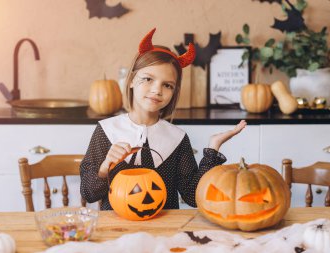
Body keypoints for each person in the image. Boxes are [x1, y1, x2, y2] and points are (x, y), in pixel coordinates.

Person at [80, 28, 246, 210]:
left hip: (165, 229)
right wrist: (105, 167)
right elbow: (89, 193)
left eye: (167, 85)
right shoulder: (106, 130)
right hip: (116, 229)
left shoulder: (177, 138)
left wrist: (213, 148)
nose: (157, 90)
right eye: (148, 79)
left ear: (174, 91)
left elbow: (193, 196)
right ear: (131, 81)